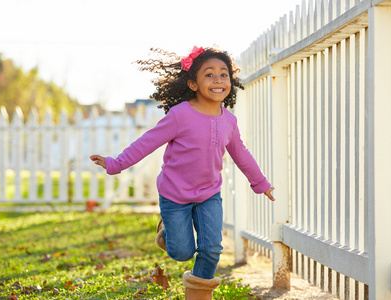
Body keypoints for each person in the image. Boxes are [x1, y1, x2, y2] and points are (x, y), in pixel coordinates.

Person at [90, 46, 275, 300]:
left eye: (224, 74)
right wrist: (115, 163)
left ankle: (197, 296)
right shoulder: (180, 115)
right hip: (175, 195)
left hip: (209, 194)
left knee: (211, 248)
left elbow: (240, 153)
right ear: (193, 83)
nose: (218, 79)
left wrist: (261, 183)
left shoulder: (229, 121)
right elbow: (147, 142)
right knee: (182, 252)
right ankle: (166, 230)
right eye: (209, 74)